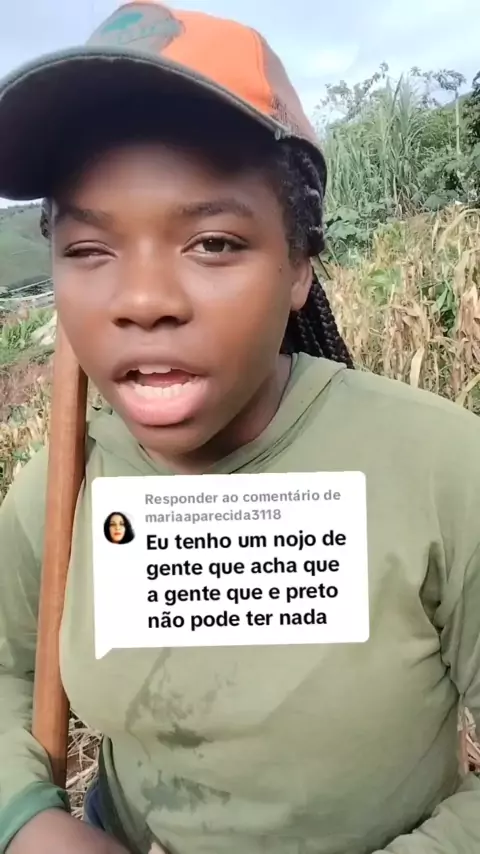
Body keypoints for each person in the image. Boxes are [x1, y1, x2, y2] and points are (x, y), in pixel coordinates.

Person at [0, 2, 479, 854]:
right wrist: (30, 821)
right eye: (90, 250)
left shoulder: (442, 467)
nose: (143, 301)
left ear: (298, 266)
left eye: (214, 243)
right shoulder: (61, 491)